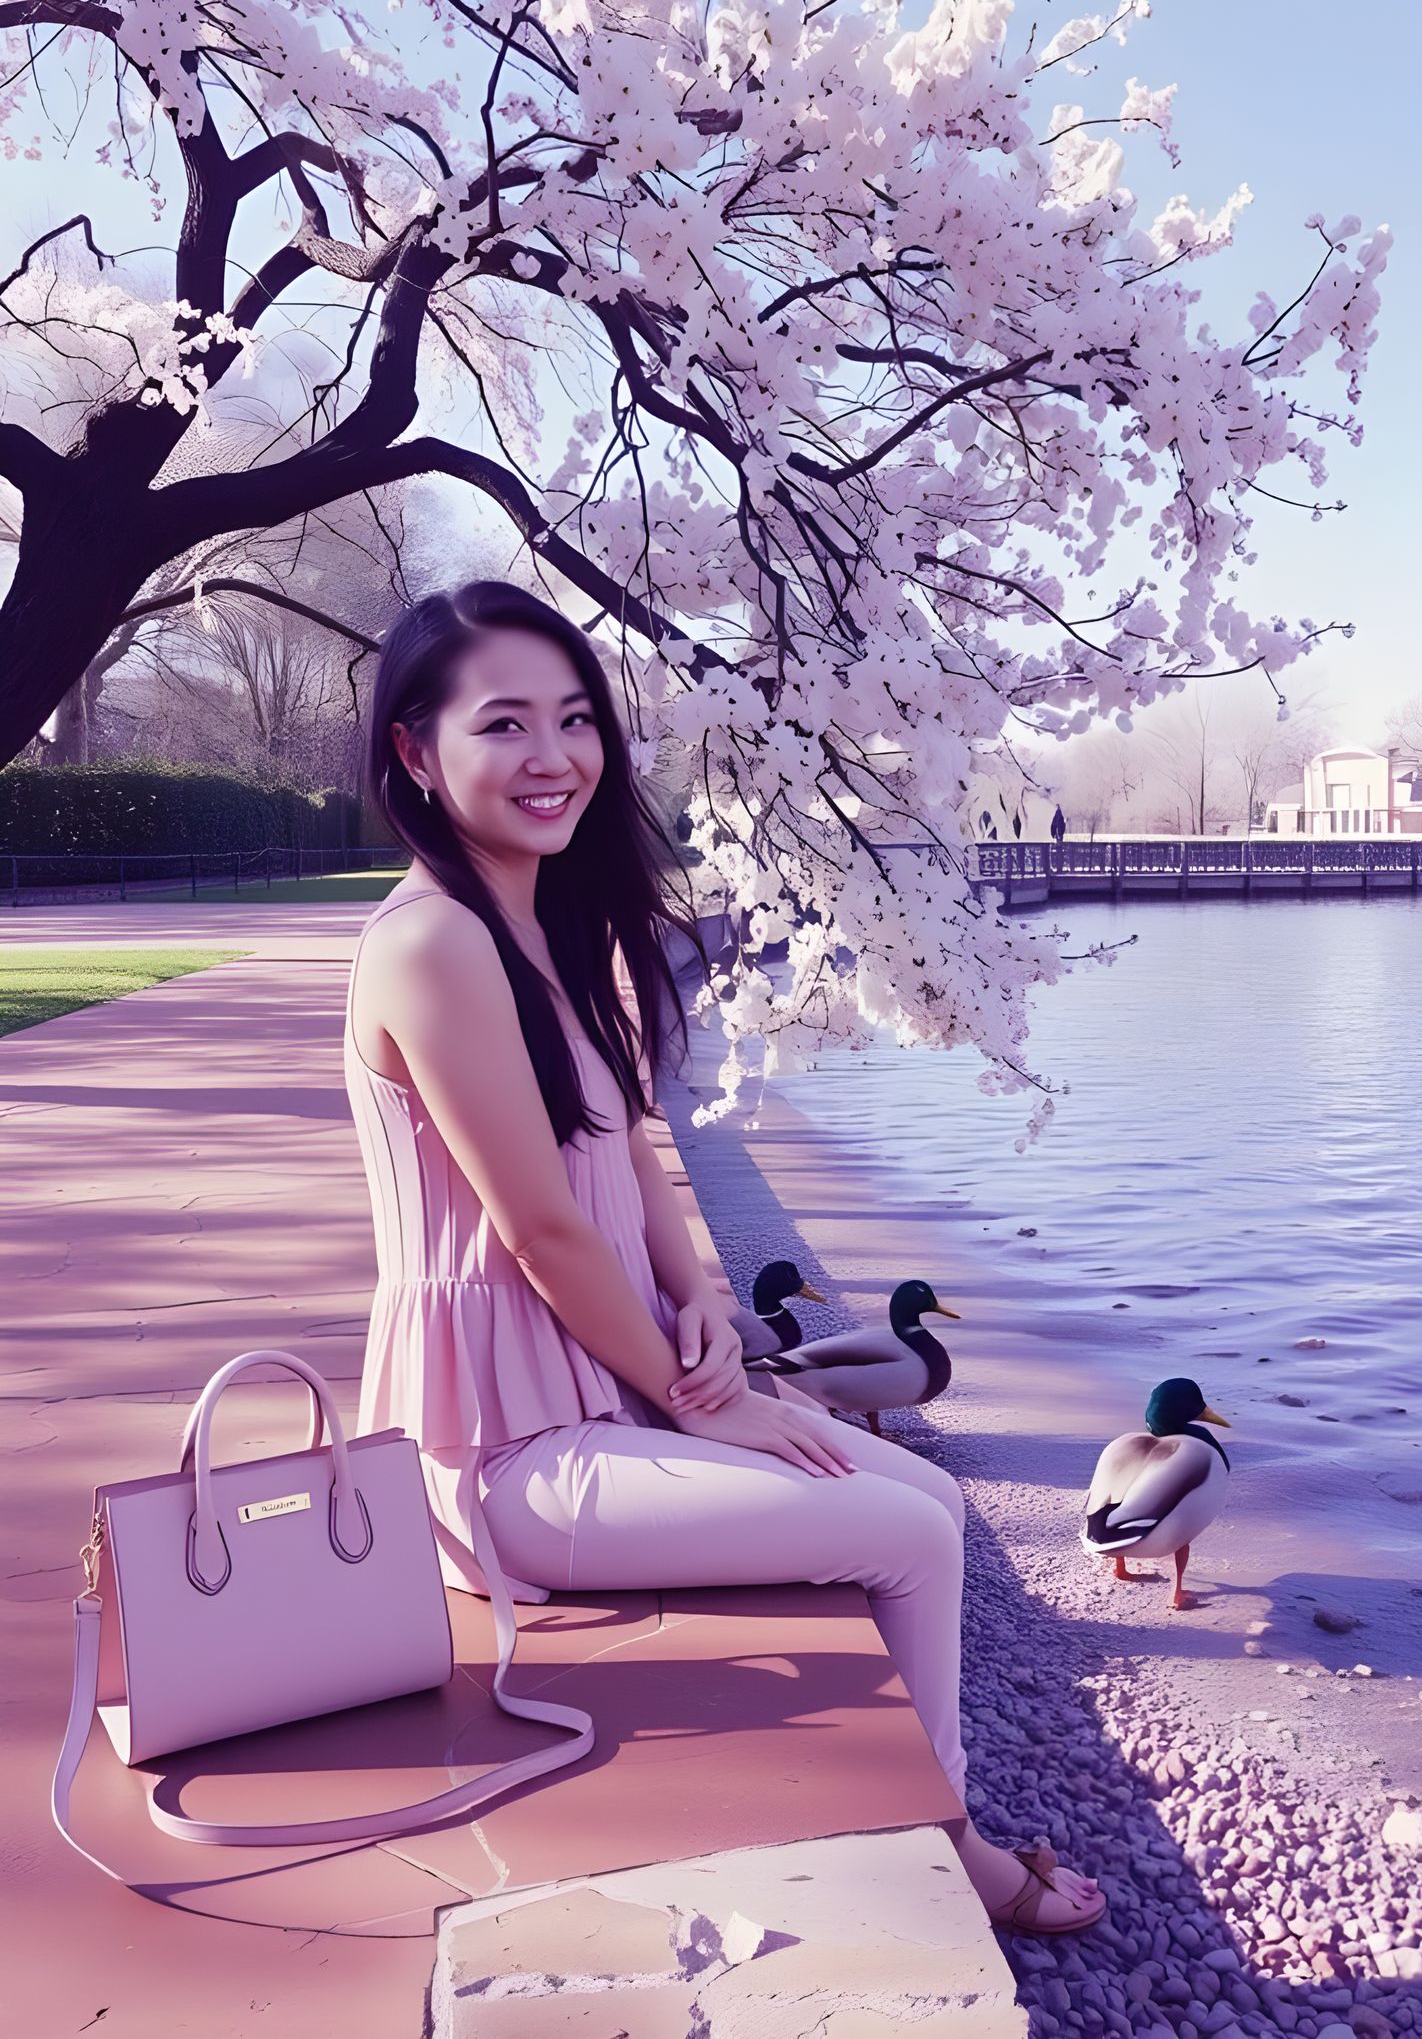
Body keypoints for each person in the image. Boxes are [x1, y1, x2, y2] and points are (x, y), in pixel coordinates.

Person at [344, 581, 1104, 1936]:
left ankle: (939, 1820)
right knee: (913, 1530)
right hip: (503, 1452)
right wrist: (716, 1396)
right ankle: (950, 1848)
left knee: (898, 1489)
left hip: (603, 1398)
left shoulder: (550, 930)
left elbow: (633, 1157)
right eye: (505, 722)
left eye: (575, 719)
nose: (554, 756)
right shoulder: (430, 942)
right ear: (415, 749)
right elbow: (543, 1228)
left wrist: (697, 1296)